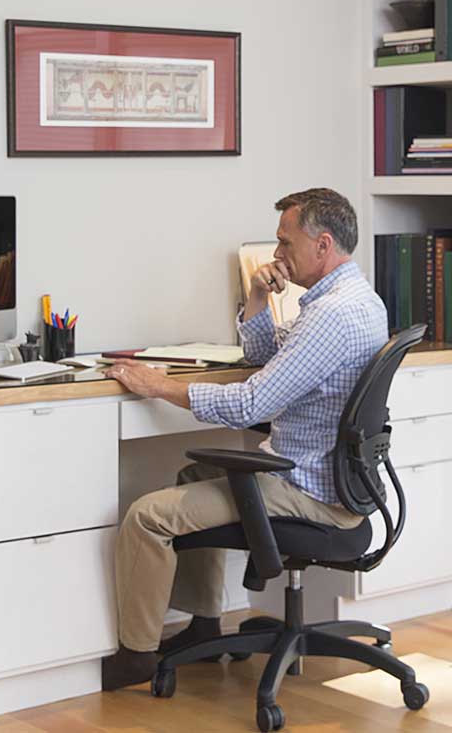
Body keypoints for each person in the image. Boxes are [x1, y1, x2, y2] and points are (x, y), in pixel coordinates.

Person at [99, 187, 387, 691]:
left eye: (284, 242)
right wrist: (257, 298)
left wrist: (159, 385)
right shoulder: (359, 300)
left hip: (305, 489)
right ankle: (205, 625)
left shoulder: (330, 316)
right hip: (339, 482)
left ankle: (135, 656)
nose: (277, 254)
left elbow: (252, 404)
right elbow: (276, 358)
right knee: (196, 474)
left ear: (322, 245)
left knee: (146, 516)